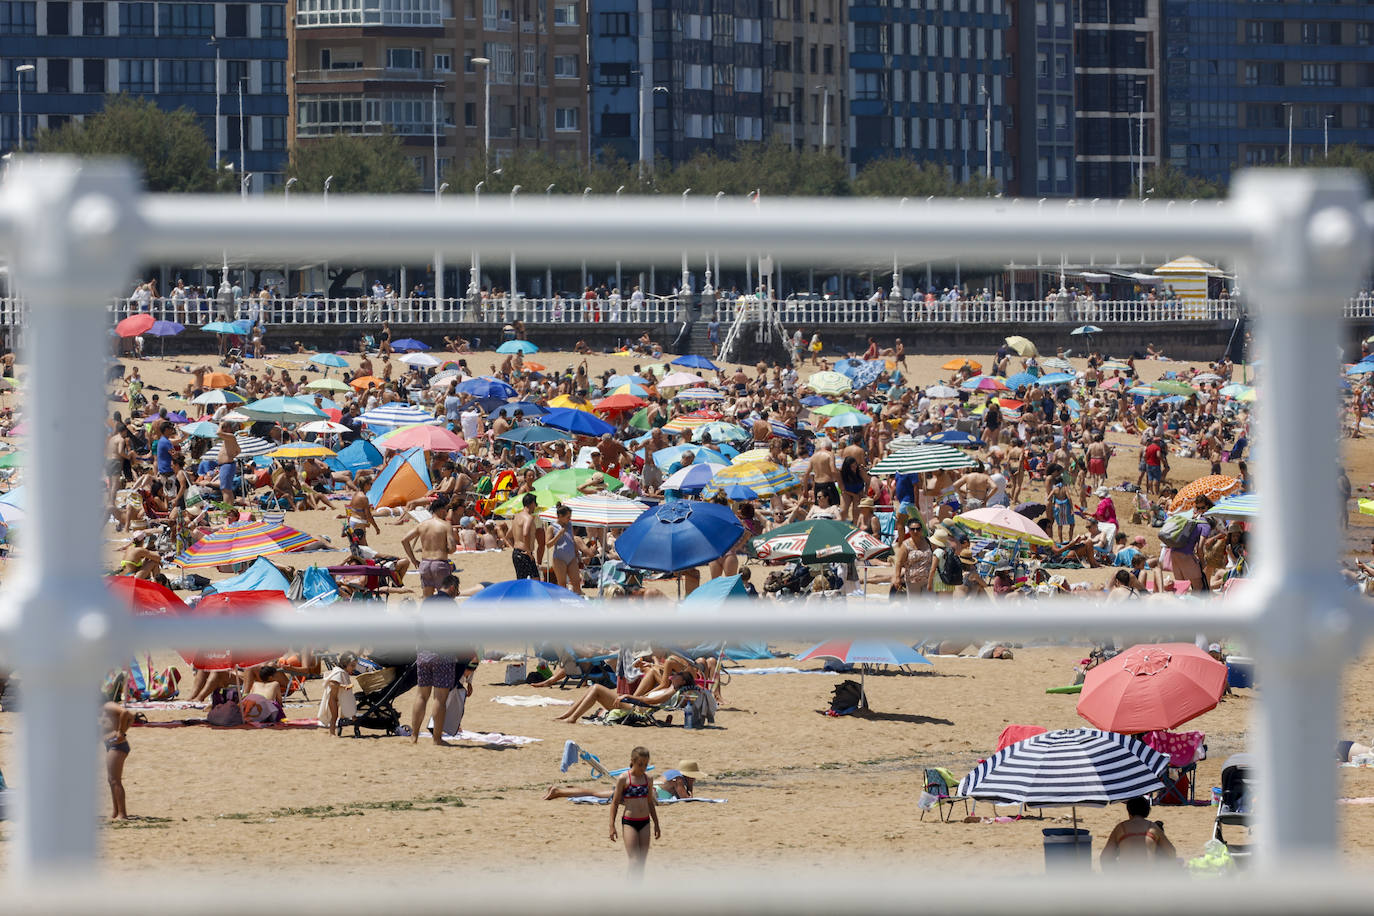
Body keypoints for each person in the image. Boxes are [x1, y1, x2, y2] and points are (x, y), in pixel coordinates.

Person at [609, 746, 660, 880]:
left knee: (642, 862)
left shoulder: (648, 779)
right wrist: (611, 826)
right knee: (634, 861)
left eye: (645, 764)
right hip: (629, 823)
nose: (643, 767)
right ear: (632, 761)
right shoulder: (624, 779)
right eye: (640, 764)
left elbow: (650, 802)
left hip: (645, 822)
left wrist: (656, 823)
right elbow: (614, 803)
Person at [400, 495, 456, 598]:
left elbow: (404, 540)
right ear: (442, 509)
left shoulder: (422, 524)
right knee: (445, 597)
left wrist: (413, 559)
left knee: (427, 598)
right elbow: (452, 548)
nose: (446, 512)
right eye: (446, 510)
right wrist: (444, 549)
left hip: (425, 564)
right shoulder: (446, 525)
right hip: (439, 563)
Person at [1099, 796, 1178, 869]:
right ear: (1147, 811)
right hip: (1148, 876)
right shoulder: (1153, 827)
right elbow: (1171, 852)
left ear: (1129, 811)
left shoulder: (1120, 828)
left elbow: (1105, 858)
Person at [101, 701, 137, 820]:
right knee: (111, 780)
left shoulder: (108, 705)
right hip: (111, 745)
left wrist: (122, 732)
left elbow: (127, 713)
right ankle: (116, 812)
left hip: (118, 746)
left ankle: (122, 814)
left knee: (115, 780)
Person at [317, 652, 358, 736]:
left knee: (347, 702)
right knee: (334, 716)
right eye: (352, 665)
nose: (354, 668)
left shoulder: (343, 672)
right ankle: (332, 733)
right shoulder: (339, 672)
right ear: (345, 664)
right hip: (332, 698)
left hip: (338, 697)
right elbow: (332, 683)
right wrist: (343, 686)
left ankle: (352, 717)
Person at [507, 491, 546, 579]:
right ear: (532, 503)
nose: (535, 506)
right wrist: (528, 550)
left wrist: (514, 547)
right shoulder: (528, 518)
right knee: (535, 580)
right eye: (535, 504)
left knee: (524, 581)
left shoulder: (516, 517)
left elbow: (508, 536)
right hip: (525, 553)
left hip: (517, 552)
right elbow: (525, 533)